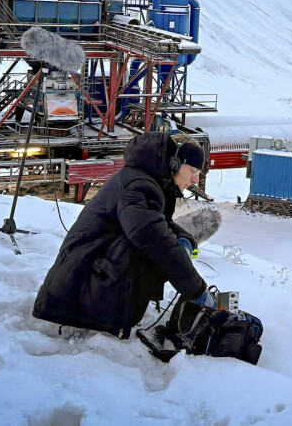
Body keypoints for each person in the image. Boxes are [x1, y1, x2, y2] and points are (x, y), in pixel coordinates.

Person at [33, 131, 210, 338]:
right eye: (192, 170)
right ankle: (112, 316)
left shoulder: (147, 179)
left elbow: (159, 222)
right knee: (156, 250)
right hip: (78, 288)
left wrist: (184, 238)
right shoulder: (139, 186)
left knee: (166, 245)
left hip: (82, 279)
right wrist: (197, 291)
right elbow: (153, 237)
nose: (195, 180)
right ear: (174, 163)